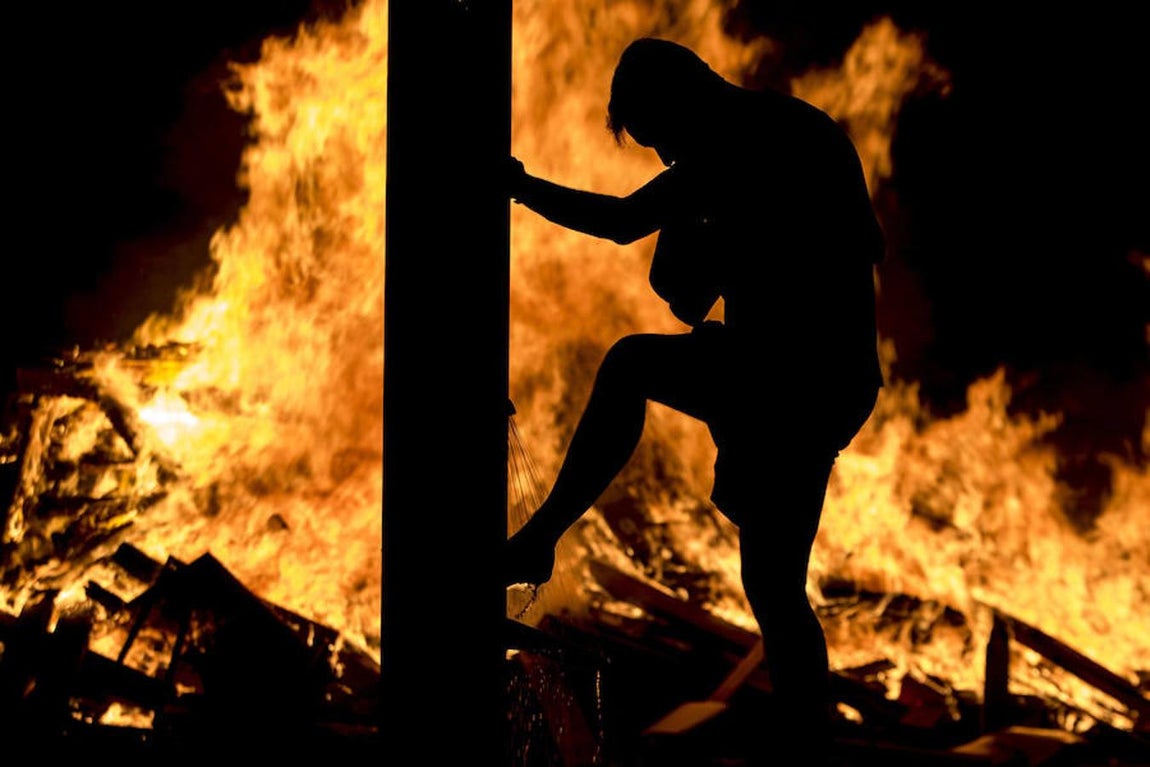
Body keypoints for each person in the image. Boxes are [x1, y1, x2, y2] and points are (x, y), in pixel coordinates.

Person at [504, 37, 885, 765]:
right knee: (773, 586)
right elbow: (688, 277)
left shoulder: (732, 147)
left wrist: (518, 186)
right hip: (826, 381)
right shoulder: (786, 132)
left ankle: (540, 536)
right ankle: (810, 749)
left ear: (679, 103)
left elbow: (627, 228)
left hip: (789, 376)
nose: (663, 157)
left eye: (659, 138)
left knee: (630, 365)